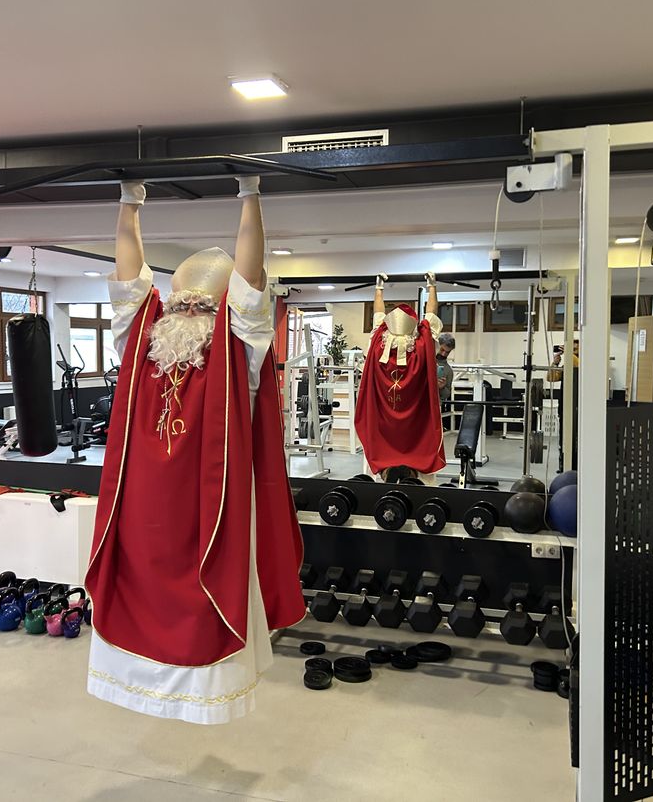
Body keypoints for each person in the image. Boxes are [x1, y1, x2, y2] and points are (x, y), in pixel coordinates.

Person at [83, 176, 306, 725]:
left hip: (209, 511)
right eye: (178, 298)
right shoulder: (141, 342)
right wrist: (129, 202)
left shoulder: (239, 351)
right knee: (137, 587)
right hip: (140, 513)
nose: (186, 308)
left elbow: (250, 277)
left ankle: (204, 679)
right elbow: (129, 277)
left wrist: (250, 193)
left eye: (198, 302)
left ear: (220, 308)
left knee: (206, 593)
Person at [353, 272, 447, 480]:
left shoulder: (379, 342)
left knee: (380, 443)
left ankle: (385, 471)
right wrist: (432, 286)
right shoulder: (422, 343)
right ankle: (415, 473)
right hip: (415, 420)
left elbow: (378, 314)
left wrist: (378, 288)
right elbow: (431, 315)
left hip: (383, 418)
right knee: (419, 449)